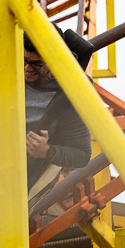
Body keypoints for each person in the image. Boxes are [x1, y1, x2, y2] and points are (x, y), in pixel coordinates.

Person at [23, 29, 91, 192]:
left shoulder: (69, 96)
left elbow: (82, 155)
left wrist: (46, 151)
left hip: (12, 171)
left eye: (36, 63)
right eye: (24, 59)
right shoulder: (10, 56)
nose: (27, 68)